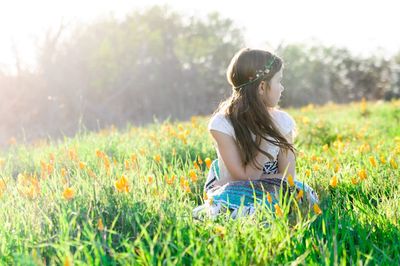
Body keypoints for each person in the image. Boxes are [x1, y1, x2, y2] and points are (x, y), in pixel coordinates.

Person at [193, 48, 318, 220]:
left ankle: (257, 211)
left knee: (298, 191)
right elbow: (245, 179)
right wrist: (264, 146)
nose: (282, 88)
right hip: (235, 189)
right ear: (261, 86)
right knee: (230, 202)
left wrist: (250, 178)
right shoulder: (222, 124)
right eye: (278, 81)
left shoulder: (282, 122)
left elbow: (288, 176)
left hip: (271, 187)